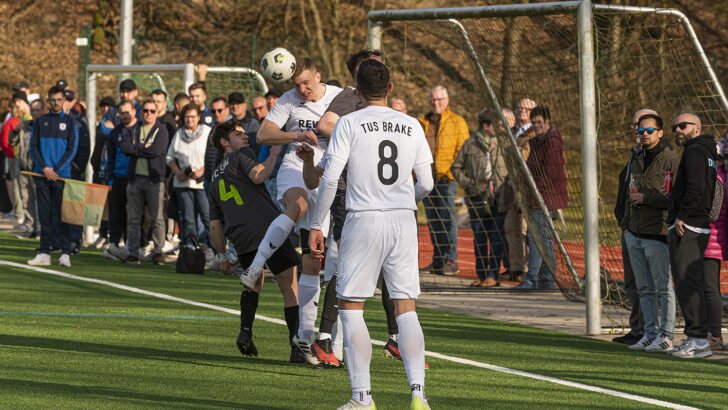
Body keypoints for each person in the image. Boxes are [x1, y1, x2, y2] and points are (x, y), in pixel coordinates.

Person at [308, 59, 433, 410]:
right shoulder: (412, 124)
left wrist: (318, 224)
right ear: (390, 88)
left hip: (362, 219)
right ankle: (418, 393)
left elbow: (330, 178)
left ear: (356, 90)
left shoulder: (349, 123)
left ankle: (362, 398)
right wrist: (404, 200)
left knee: (351, 306)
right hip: (403, 221)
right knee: (405, 307)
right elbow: (427, 182)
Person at [306, 49, 406, 368]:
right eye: (370, 65)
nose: (377, 69)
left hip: (377, 199)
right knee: (353, 264)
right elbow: (326, 126)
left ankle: (393, 337)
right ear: (356, 76)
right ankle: (327, 340)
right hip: (351, 197)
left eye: (380, 64)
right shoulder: (350, 99)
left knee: (380, 264)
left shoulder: (387, 115)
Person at [242, 57, 342, 365]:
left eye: (307, 83)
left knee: (314, 262)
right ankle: (256, 266)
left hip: (326, 174)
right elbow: (263, 135)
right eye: (297, 85)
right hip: (295, 166)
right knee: (296, 206)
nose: (302, 89)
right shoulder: (289, 100)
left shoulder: (340, 96)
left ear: (319, 76)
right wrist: (296, 135)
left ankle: (307, 339)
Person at [208, 120, 302, 361]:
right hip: (267, 228)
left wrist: (221, 257)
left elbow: (214, 226)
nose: (245, 137)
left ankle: (245, 332)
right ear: (224, 142)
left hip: (241, 236)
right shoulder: (241, 155)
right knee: (289, 285)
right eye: (238, 134)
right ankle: (296, 346)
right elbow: (259, 175)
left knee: (253, 284)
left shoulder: (212, 182)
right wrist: (272, 154)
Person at [620, 113, 678, 352]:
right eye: (640, 131)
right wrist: (625, 224)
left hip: (657, 232)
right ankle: (650, 332)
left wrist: (648, 198)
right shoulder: (636, 156)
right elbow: (627, 193)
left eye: (649, 131)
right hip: (634, 231)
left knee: (663, 286)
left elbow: (676, 198)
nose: (644, 135)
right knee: (643, 287)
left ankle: (667, 334)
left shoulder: (671, 160)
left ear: (661, 132)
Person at [667, 113, 718, 359]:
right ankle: (696, 338)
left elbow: (697, 188)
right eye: (675, 126)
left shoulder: (695, 151)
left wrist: (682, 216)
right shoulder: (705, 151)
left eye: (683, 126)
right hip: (697, 224)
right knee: (690, 282)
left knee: (688, 284)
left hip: (690, 225)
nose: (677, 129)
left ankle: (698, 340)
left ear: (696, 128)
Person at [451, 110, 507, 287]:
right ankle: (481, 274)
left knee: (496, 237)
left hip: (499, 197)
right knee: (480, 237)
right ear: (485, 125)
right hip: (477, 198)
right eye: (496, 124)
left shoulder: (504, 145)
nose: (499, 128)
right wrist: (468, 183)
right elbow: (456, 168)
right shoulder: (470, 144)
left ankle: (493, 275)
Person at [612, 108, 653, 346]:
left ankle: (649, 330)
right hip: (629, 227)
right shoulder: (634, 155)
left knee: (647, 282)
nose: (639, 131)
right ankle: (637, 327)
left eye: (644, 126)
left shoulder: (660, 156)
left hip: (646, 229)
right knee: (631, 282)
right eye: (636, 126)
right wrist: (623, 222)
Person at [418, 85, 469, 275]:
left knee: (447, 219)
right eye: (432, 99)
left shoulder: (457, 122)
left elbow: (462, 150)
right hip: (425, 178)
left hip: (446, 178)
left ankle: (450, 259)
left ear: (447, 101)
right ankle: (438, 259)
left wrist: (452, 172)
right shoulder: (422, 122)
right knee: (433, 220)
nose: (435, 103)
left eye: (439, 99)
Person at [514, 106, 567, 289]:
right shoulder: (536, 142)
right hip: (535, 196)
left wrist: (536, 193)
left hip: (545, 198)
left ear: (547, 122)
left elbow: (549, 172)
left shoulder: (552, 142)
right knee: (542, 237)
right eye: (533, 122)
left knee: (537, 236)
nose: (536, 126)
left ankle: (534, 278)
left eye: (539, 122)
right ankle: (547, 278)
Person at [27, 85, 79, 267]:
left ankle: (65, 253)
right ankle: (44, 252)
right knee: (44, 216)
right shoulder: (40, 122)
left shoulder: (71, 122)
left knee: (62, 215)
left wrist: (55, 169)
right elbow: (33, 147)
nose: (56, 103)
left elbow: (72, 150)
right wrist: (44, 168)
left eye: (59, 100)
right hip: (42, 176)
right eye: (53, 100)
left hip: (61, 176)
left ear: (64, 101)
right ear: (48, 101)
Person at [119, 100, 169, 265]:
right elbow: (125, 147)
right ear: (141, 112)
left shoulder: (161, 130)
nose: (148, 113)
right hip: (135, 179)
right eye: (146, 110)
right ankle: (132, 253)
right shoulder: (134, 128)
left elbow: (157, 150)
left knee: (157, 218)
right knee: (133, 218)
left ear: (157, 112)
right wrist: (143, 147)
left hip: (154, 180)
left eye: (152, 111)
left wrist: (137, 148)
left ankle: (158, 252)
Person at [166, 103, 211, 248]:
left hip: (201, 183)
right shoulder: (179, 134)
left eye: (192, 116)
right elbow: (169, 157)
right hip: (182, 183)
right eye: (186, 117)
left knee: (208, 217)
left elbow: (213, 156)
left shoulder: (208, 132)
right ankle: (191, 248)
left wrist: (203, 170)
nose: (189, 120)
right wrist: (178, 172)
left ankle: (215, 250)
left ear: (199, 117)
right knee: (187, 218)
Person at [103, 101, 137, 260]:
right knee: (117, 214)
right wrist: (110, 179)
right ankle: (116, 244)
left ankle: (136, 244)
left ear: (134, 111)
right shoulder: (115, 132)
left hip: (136, 179)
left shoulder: (140, 129)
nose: (125, 115)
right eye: (122, 113)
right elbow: (110, 158)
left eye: (127, 112)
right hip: (118, 178)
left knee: (136, 214)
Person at [703, 138, 726, 352]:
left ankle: (715, 335)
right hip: (713, 237)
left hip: (711, 238)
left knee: (710, 288)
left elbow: (714, 210)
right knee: (709, 287)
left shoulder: (718, 177)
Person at [1, 92, 32, 223]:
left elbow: (5, 142)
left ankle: (21, 214)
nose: (17, 105)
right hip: (16, 156)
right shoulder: (15, 121)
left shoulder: (25, 119)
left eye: (20, 102)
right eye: (16, 102)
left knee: (21, 187)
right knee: (18, 186)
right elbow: (8, 140)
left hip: (19, 157)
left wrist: (9, 151)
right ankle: (22, 214)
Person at [228, 92, 261, 156]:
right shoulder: (226, 125)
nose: (234, 106)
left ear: (245, 105)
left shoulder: (254, 125)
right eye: (232, 104)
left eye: (238, 103)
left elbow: (256, 150)